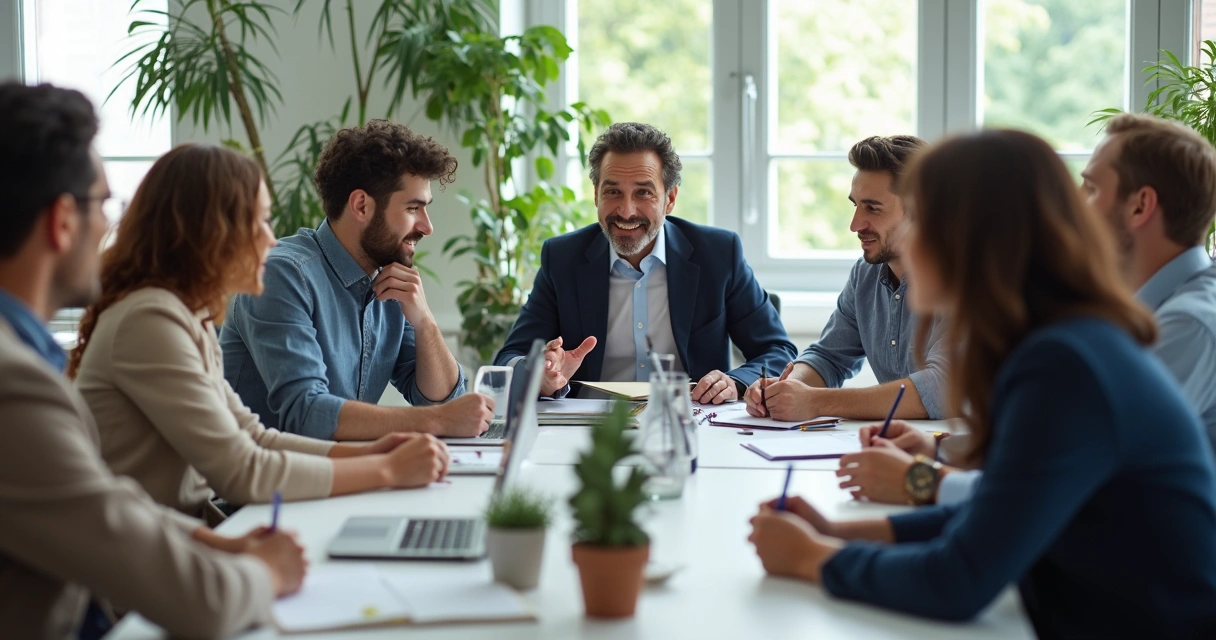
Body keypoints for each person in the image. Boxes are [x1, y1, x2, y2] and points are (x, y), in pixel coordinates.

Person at [747, 129, 1216, 636]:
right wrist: (835, 531)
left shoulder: (1063, 361)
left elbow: (959, 580)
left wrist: (812, 559)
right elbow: (997, 509)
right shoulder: (1058, 341)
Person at [0, 81, 306, 638]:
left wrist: (213, 543)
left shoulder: (26, 358)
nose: (110, 225)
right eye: (103, 204)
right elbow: (204, 603)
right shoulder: (14, 383)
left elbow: (108, 502)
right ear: (62, 221)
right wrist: (265, 571)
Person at [841, 113, 1216, 506]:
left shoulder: (1188, 324)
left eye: (1089, 189)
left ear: (1141, 206)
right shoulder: (1116, 316)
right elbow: (1053, 444)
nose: (1076, 209)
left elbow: (1067, 479)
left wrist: (921, 480)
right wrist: (940, 449)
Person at [70, 144, 452, 523]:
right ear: (206, 231)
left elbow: (255, 439)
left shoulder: (189, 318)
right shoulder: (150, 320)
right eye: (257, 222)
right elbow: (242, 470)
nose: (270, 240)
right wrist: (388, 467)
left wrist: (380, 452)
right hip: (147, 547)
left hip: (185, 529)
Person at [221, 120, 494, 440]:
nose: (427, 227)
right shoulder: (283, 274)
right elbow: (307, 415)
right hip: (264, 486)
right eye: (413, 208)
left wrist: (426, 323)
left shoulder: (388, 278)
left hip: (338, 477)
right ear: (361, 205)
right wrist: (436, 420)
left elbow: (441, 399)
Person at [495, 122, 797, 403]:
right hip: (590, 430)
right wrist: (540, 375)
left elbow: (778, 351)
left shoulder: (718, 253)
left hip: (692, 425)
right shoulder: (561, 258)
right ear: (596, 195)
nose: (626, 211)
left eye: (644, 192)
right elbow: (510, 358)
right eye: (612, 192)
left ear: (670, 199)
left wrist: (735, 382)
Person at [743, 135, 947, 422]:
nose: (855, 225)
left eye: (873, 208)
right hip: (898, 446)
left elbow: (941, 390)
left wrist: (815, 402)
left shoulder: (968, 278)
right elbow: (829, 357)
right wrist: (786, 388)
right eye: (856, 205)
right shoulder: (865, 274)